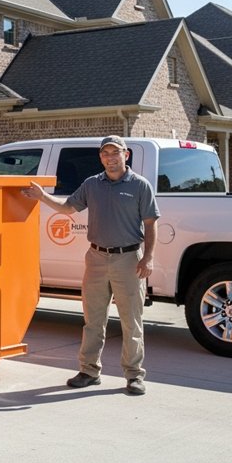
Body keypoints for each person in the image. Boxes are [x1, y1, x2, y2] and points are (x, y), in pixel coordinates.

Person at [21, 136, 159, 395]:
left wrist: (148, 257)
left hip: (128, 259)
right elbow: (68, 208)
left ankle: (134, 375)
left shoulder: (140, 186)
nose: (110, 157)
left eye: (115, 152)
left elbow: (151, 223)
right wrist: (42, 196)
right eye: (105, 153)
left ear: (125, 155)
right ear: (101, 157)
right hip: (95, 258)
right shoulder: (92, 184)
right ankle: (88, 371)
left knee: (132, 321)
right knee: (93, 320)